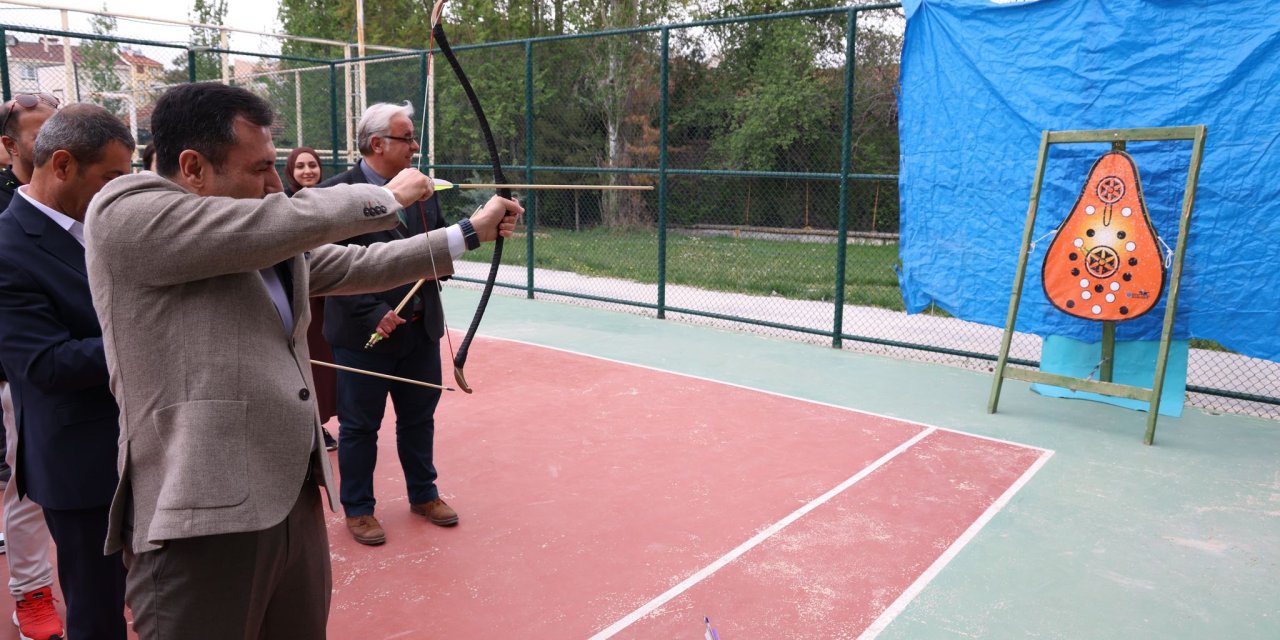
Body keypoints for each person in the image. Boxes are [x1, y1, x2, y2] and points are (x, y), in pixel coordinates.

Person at [84, 82, 520, 639]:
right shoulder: (128, 215)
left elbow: (358, 265)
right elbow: (285, 221)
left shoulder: (254, 230)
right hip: (201, 520)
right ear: (192, 167)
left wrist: (467, 234)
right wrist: (390, 196)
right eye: (261, 168)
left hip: (290, 498)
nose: (275, 185)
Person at [0, 103, 134, 640]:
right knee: (98, 611)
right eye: (110, 178)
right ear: (61, 165)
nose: (119, 192)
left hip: (145, 446)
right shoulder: (8, 248)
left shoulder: (100, 222)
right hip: (82, 464)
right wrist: (152, 337)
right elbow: (45, 365)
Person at [318, 102, 456, 546]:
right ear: (377, 143)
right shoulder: (337, 193)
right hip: (365, 335)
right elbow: (326, 265)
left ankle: (424, 493)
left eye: (414, 138)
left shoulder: (422, 189)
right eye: (407, 138)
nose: (415, 146)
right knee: (359, 427)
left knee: (419, 418)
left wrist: (459, 248)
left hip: (419, 329)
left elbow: (434, 247)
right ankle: (358, 508)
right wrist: (373, 311)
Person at [0, 91, 64, 640]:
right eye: (42, 136)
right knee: (28, 486)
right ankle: (33, 593)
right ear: (9, 147)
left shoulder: (91, 201)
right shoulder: (9, 223)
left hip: (91, 372)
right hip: (19, 371)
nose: (55, 147)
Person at [287, 146, 338, 451]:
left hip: (331, 296)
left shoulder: (330, 200)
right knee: (308, 361)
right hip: (305, 297)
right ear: (290, 172)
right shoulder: (286, 203)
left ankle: (321, 422)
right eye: (300, 166)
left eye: (313, 165)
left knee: (328, 363)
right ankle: (311, 427)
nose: (307, 171)